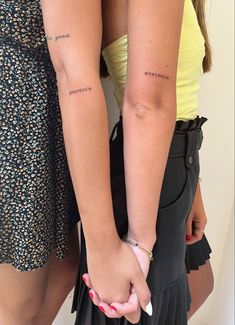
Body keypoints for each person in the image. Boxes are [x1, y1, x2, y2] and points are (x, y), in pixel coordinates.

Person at [0, 1, 150, 324]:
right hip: (17, 113)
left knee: (62, 273)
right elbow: (74, 74)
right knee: (18, 300)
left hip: (54, 117)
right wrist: (105, 248)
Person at [72, 0, 213, 324]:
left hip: (175, 165)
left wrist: (194, 186)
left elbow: (175, 94)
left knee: (200, 283)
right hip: (149, 179)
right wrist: (132, 243)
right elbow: (145, 103)